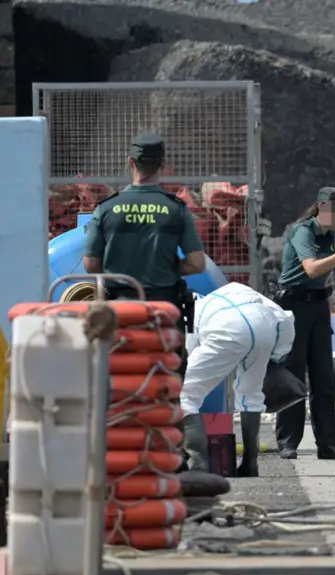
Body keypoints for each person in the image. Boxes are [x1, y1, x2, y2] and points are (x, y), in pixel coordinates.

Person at [83, 131, 208, 376]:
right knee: (166, 378)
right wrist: (169, 266)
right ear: (162, 164)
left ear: (130, 161)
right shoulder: (176, 209)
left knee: (121, 377)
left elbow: (90, 265)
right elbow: (197, 264)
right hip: (164, 309)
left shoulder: (106, 208)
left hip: (120, 309)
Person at [274, 186, 335, 460]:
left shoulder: (329, 236)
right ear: (322, 207)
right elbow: (312, 268)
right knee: (292, 375)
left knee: (323, 378)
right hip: (293, 306)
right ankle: (288, 442)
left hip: (316, 306)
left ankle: (327, 444)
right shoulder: (303, 231)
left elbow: (322, 278)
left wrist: (332, 309)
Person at [179, 282, 296, 478]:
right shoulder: (235, 289)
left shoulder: (193, 313)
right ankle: (250, 463)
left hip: (226, 329)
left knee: (184, 394)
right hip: (263, 328)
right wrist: (277, 356)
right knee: (250, 395)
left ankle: (198, 464)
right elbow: (285, 320)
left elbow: (190, 358)